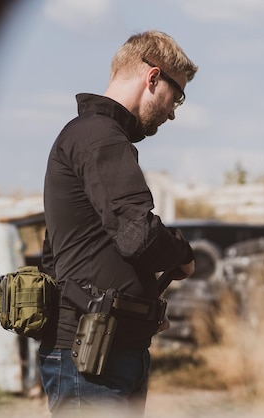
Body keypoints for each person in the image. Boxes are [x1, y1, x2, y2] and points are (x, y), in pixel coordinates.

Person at [39, 30, 198, 417]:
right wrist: (183, 255)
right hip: (91, 360)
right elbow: (137, 236)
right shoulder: (99, 138)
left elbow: (64, 255)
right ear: (153, 77)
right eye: (177, 96)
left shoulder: (95, 137)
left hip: (107, 350)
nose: (174, 111)